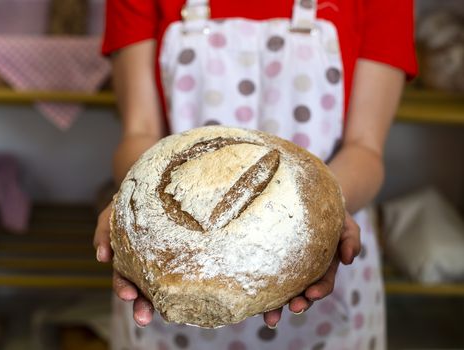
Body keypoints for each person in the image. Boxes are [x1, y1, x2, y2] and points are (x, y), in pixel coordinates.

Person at [94, 0, 417, 349]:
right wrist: (133, 207)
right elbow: (139, 132)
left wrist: (326, 215)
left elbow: (365, 148)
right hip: (172, 270)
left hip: (322, 262)